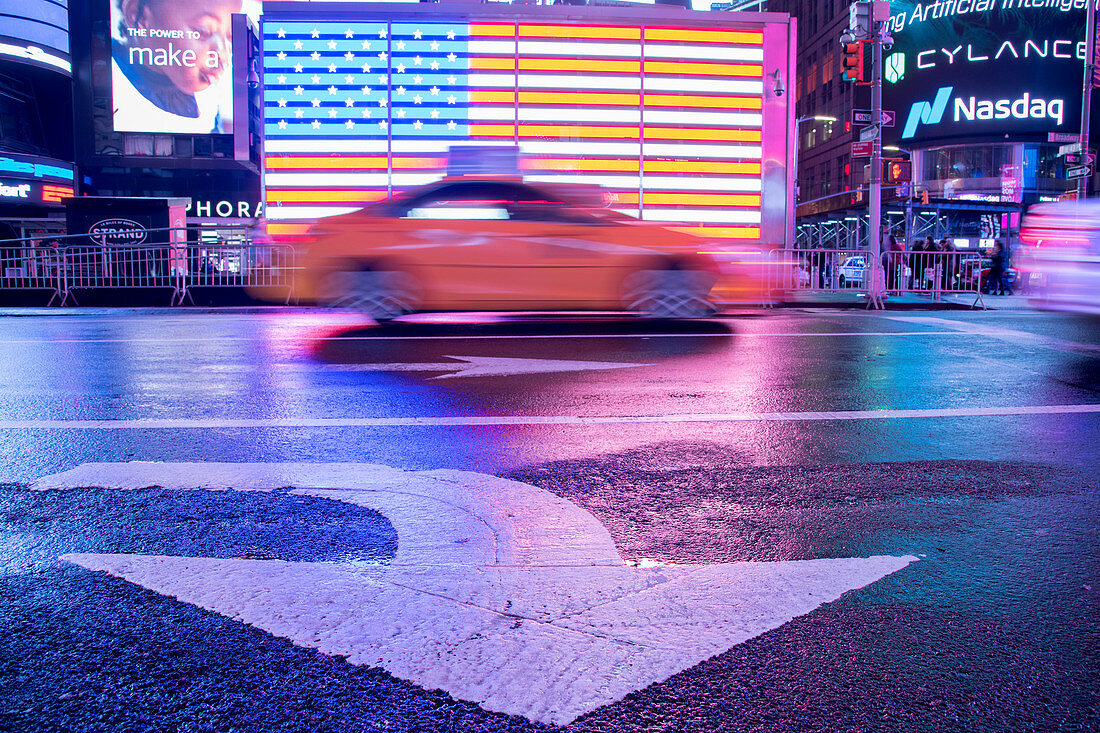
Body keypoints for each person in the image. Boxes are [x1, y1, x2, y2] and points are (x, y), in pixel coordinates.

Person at [111, 0, 241, 134]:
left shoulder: (207, 95)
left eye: (230, 37)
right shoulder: (108, 77)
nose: (224, 54)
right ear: (138, 14)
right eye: (202, 31)